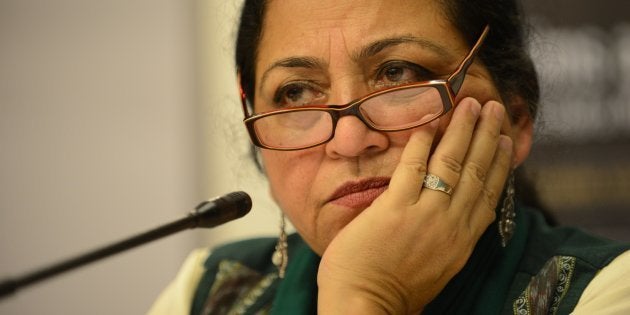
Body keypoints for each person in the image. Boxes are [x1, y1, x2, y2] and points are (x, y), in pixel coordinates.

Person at [149, 0, 630, 314]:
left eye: (398, 73)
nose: (351, 141)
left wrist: (363, 295)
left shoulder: (608, 292)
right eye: (296, 92)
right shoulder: (209, 294)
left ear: (515, 117)